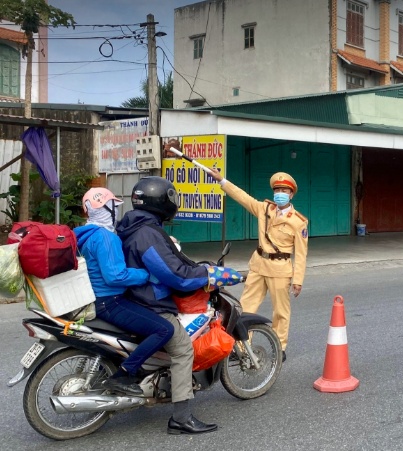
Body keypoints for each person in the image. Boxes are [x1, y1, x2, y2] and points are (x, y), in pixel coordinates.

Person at [116, 176, 241, 435]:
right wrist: (208, 275)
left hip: (134, 297)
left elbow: (173, 262)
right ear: (162, 200)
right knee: (183, 349)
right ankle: (181, 418)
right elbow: (177, 276)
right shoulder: (147, 234)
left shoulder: (134, 226)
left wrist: (199, 268)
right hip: (151, 301)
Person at [204, 157, 308, 363]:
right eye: (277, 190)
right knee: (245, 306)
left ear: (291, 194)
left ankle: (280, 346)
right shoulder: (264, 209)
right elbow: (242, 197)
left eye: (284, 191)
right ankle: (243, 344)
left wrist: (298, 280)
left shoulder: (298, 222)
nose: (279, 194)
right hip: (259, 265)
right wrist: (221, 180)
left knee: (281, 311)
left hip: (280, 268)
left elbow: (302, 253)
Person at [74, 188, 174, 396]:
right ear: (106, 208)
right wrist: (145, 274)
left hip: (96, 298)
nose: (116, 211)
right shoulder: (105, 237)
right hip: (110, 301)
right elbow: (115, 276)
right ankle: (125, 374)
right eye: (113, 207)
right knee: (164, 329)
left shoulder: (85, 233)